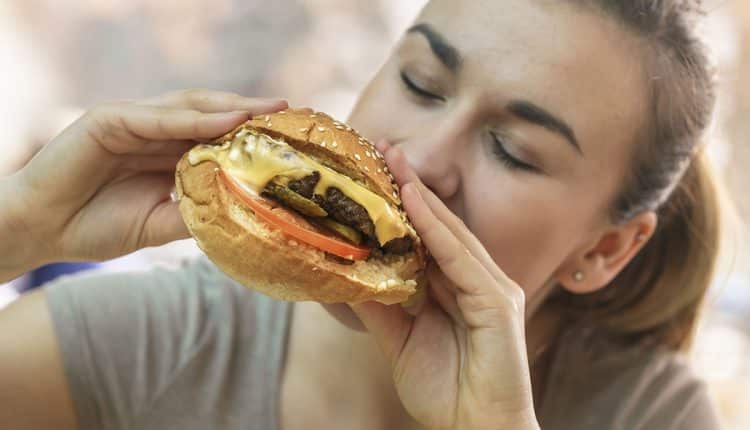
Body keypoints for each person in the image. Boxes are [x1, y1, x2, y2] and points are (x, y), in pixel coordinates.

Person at [0, 1, 722, 429]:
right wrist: (18, 227)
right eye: (419, 81)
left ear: (607, 250)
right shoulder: (145, 343)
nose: (422, 157)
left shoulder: (648, 412)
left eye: (513, 149)